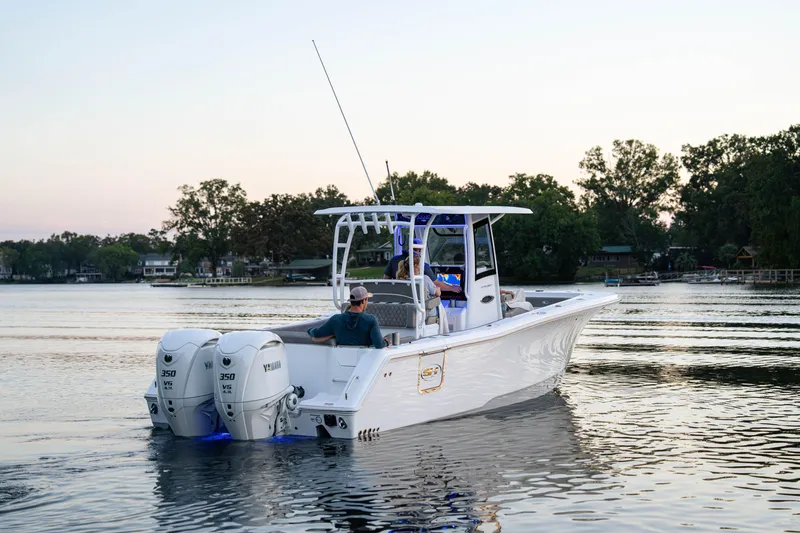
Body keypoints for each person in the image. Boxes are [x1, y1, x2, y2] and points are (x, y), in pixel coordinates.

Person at [307, 286, 388, 348]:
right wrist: (386, 341)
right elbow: (379, 345)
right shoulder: (370, 320)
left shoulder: (336, 319)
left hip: (342, 357)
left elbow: (316, 334)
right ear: (363, 301)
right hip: (364, 359)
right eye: (367, 299)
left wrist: (309, 330)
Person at [384, 238, 462, 293]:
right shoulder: (423, 266)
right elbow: (436, 284)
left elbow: (386, 280)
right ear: (420, 250)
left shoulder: (394, 260)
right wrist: (452, 288)